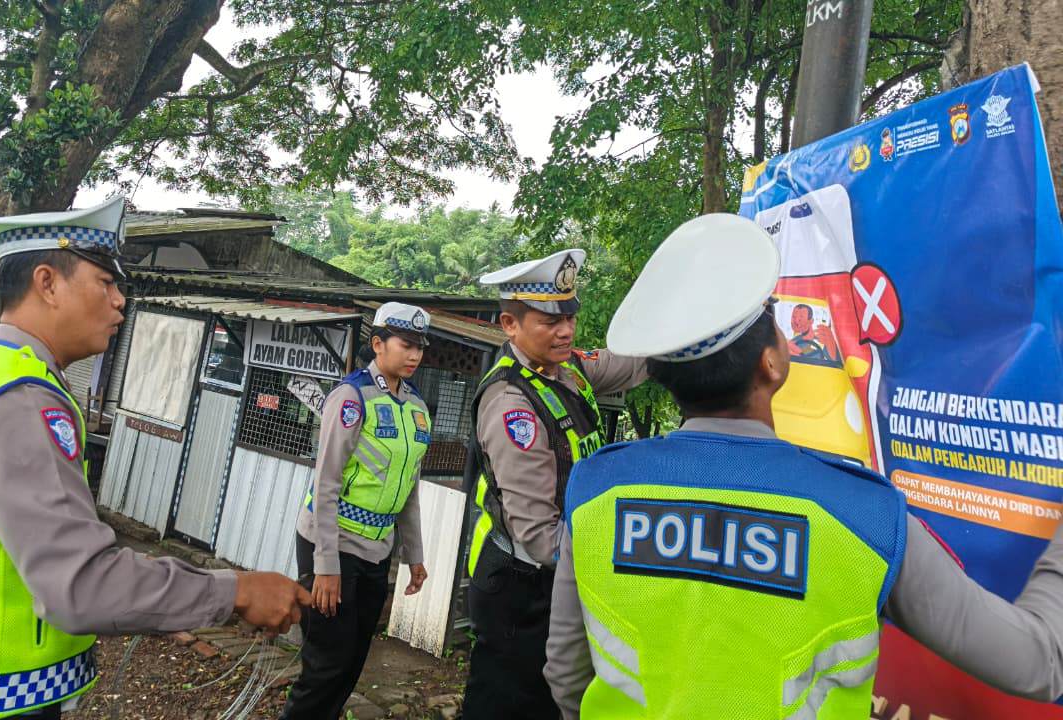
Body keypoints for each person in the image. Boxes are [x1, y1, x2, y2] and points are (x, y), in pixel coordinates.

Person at [546, 213, 1063, 718]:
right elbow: (1038, 663)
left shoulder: (596, 491)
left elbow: (566, 675)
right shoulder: (867, 517)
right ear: (771, 362)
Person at [0, 197, 309, 720]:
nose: (121, 301)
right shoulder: (21, 401)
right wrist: (236, 590)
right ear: (47, 283)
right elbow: (81, 585)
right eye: (106, 282)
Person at [462, 249, 647, 720]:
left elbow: (637, 362)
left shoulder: (568, 371)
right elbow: (540, 535)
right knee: (509, 703)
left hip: (551, 580)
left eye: (569, 316)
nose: (565, 330)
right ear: (509, 324)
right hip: (522, 590)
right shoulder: (511, 404)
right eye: (548, 320)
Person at [281, 302, 433, 720]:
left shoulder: (416, 408)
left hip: (376, 550)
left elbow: (409, 491)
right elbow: (325, 482)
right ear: (378, 344)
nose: (415, 354)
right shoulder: (351, 397)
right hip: (331, 544)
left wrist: (414, 556)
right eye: (406, 344)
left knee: (352, 660)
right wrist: (326, 565)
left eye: (421, 346)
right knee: (325, 663)